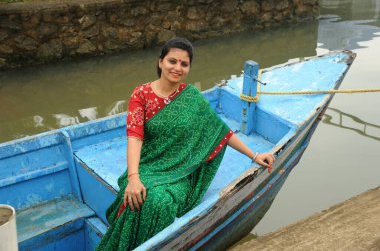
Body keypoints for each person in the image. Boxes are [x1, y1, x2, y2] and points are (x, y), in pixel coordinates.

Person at [96, 37, 275, 250]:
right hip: (147, 166)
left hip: (181, 173)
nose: (177, 68)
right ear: (160, 62)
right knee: (138, 193)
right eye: (172, 61)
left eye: (184, 64)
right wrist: (134, 177)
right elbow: (135, 136)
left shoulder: (191, 96)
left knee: (159, 202)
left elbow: (220, 132)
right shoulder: (141, 94)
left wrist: (254, 155)